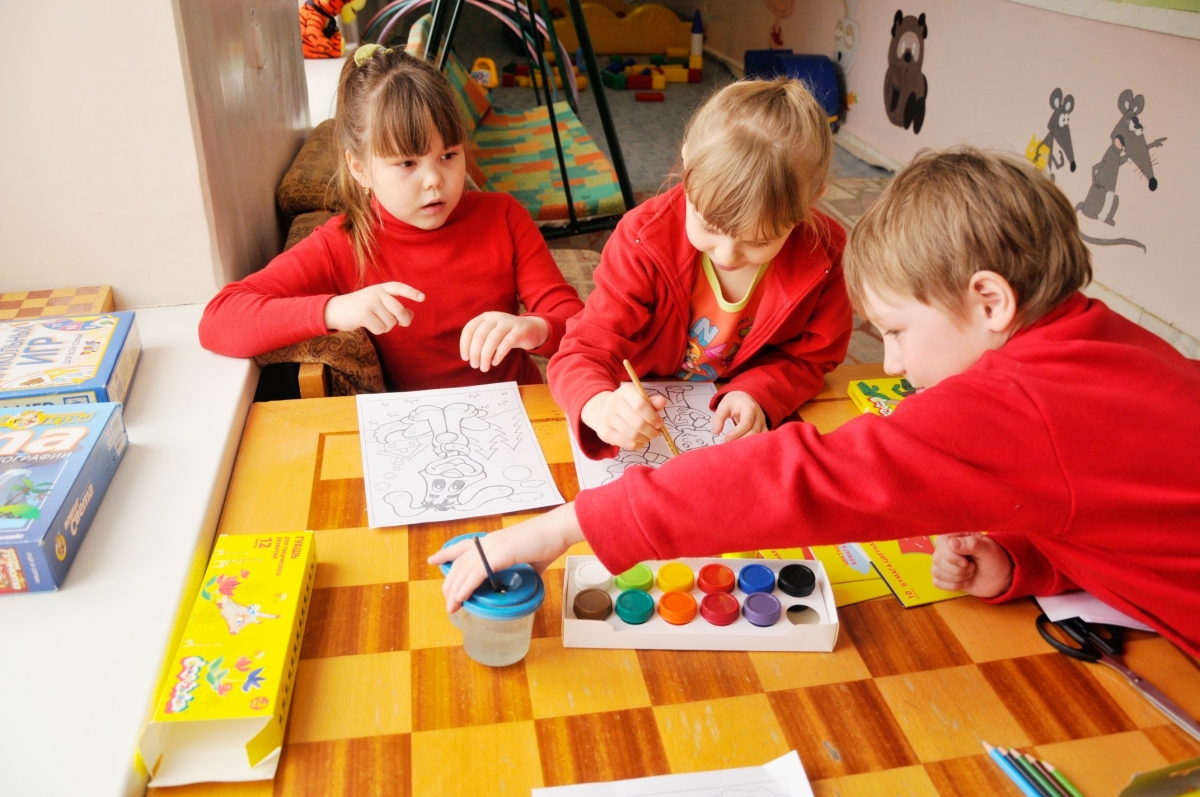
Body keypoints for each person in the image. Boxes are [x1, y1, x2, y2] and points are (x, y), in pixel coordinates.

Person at [433, 148, 1200, 657]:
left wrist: (558, 528)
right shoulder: (1103, 339)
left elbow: (804, 478)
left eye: (896, 331)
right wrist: (1021, 562)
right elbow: (1109, 513)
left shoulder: (1023, 399)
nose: (891, 364)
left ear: (991, 301)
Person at [199, 45, 583, 390]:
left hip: (519, 410)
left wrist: (535, 327)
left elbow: (575, 321)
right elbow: (219, 319)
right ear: (360, 169)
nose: (434, 180)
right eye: (407, 163)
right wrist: (335, 309)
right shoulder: (341, 244)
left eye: (448, 155)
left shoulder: (504, 216)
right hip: (416, 428)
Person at [549, 78, 852, 460]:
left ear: (812, 200)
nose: (727, 254)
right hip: (640, 407)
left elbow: (812, 357)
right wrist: (598, 405)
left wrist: (759, 392)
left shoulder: (825, 253)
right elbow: (581, 352)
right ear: (687, 161)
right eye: (709, 225)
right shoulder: (642, 239)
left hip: (732, 419)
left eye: (759, 240)